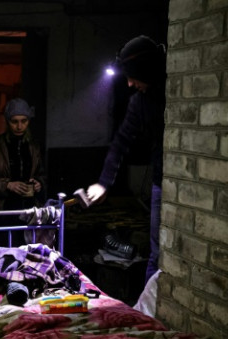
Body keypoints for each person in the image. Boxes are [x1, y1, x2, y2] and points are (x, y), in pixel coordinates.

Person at [85, 35, 166, 284]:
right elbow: (120, 142)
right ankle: (150, 315)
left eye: (133, 76)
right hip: (160, 180)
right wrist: (104, 182)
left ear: (147, 70)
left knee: (166, 254)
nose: (130, 84)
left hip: (183, 179)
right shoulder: (138, 102)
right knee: (157, 255)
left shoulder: (176, 89)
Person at [0, 98, 45, 213]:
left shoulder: (33, 147)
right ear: (7, 122)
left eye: (24, 121)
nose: (19, 126)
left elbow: (41, 174)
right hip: (3, 210)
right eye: (14, 121)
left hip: (29, 209)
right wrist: (7, 185)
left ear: (29, 121)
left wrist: (38, 183)